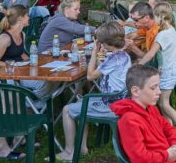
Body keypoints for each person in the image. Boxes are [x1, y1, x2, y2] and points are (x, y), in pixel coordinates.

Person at [55, 22, 133, 161]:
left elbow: (90, 76)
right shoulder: (123, 55)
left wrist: (93, 53)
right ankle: (83, 147)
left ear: (105, 44)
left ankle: (69, 152)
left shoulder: (112, 59)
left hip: (111, 104)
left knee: (67, 110)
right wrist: (99, 58)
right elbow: (103, 70)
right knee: (82, 101)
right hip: (120, 100)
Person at [0, 5, 53, 159]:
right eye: (27, 16)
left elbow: (21, 54)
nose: (29, 18)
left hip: (19, 75)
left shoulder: (22, 34)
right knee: (12, 103)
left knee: (49, 82)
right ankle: (3, 147)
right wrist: (14, 65)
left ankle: (19, 136)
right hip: (4, 78)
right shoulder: (5, 38)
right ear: (20, 18)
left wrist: (33, 60)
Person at [112, 65, 176, 163]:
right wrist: (167, 155)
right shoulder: (129, 121)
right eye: (153, 88)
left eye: (158, 86)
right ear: (135, 91)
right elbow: (139, 158)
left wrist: (175, 145)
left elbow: (169, 129)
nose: (159, 92)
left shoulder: (152, 109)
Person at [136, 2, 176, 136]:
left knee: (164, 103)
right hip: (173, 69)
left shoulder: (162, 35)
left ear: (161, 17)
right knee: (162, 103)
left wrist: (139, 64)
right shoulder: (171, 29)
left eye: (154, 16)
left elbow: (151, 54)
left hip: (169, 72)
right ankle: (169, 130)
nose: (152, 19)